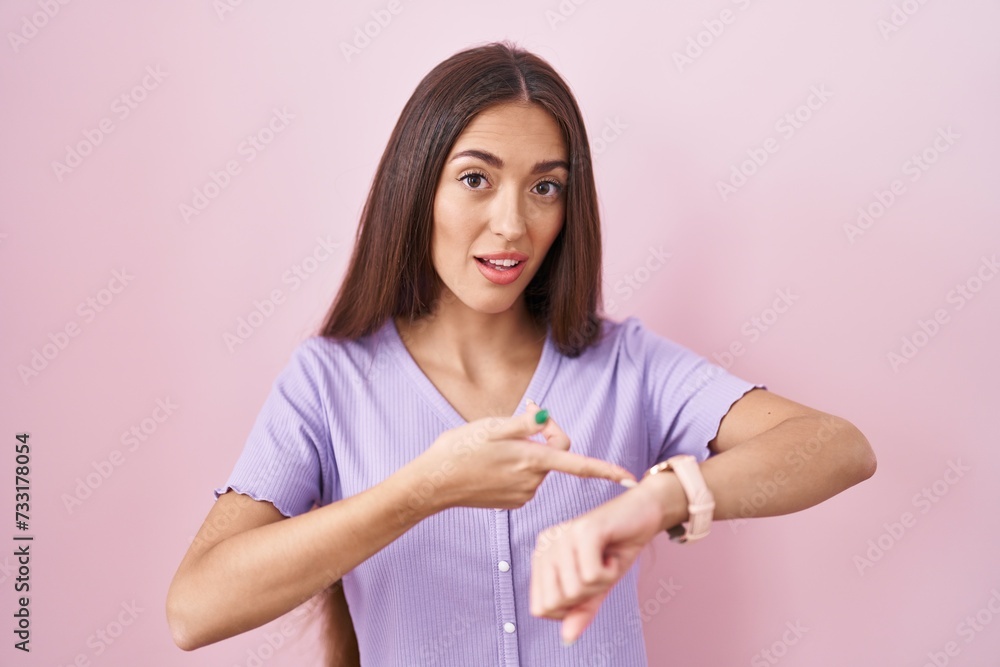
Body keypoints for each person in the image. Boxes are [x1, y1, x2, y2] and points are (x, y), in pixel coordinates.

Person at [166, 40, 877, 666]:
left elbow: (837, 447)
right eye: (476, 178)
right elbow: (195, 609)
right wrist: (427, 487)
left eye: (545, 187)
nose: (513, 224)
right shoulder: (329, 382)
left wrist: (655, 501)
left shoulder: (625, 364)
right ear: (418, 190)